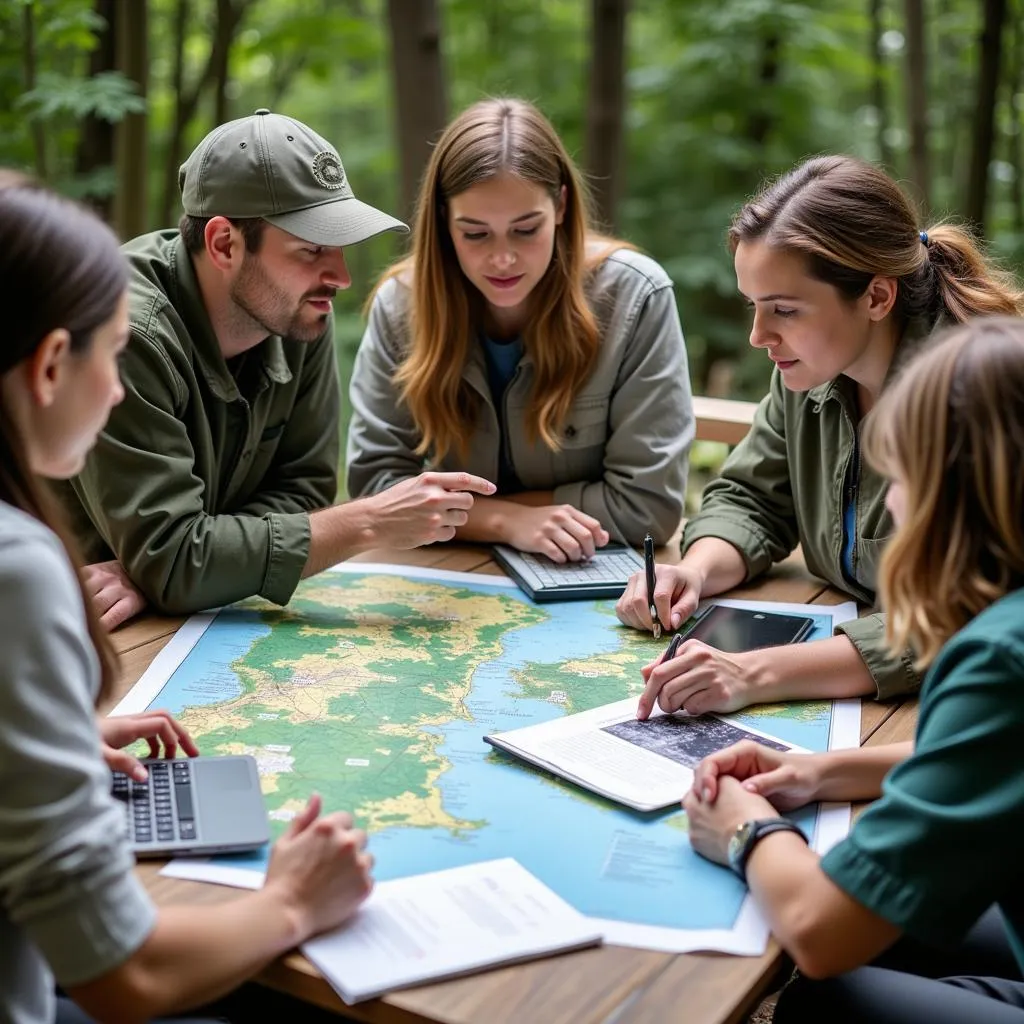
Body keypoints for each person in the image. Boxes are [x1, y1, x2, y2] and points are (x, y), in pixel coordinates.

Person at [0, 176, 375, 1024]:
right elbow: (124, 976)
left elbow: (303, 496)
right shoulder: (18, 570)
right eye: (114, 355)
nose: (123, 392)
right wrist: (292, 902)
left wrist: (46, 737)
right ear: (53, 364)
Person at [682, 316, 1024, 1023]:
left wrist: (744, 831)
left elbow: (822, 934)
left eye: (896, 475)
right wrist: (822, 771)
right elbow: (994, 757)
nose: (890, 503)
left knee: (824, 999)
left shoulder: (998, 655)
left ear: (951, 492)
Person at [616, 155, 1024, 715]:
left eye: (784, 309)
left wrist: (753, 672)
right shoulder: (807, 368)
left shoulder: (975, 397)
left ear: (878, 298)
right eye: (754, 307)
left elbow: (967, 616)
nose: (760, 336)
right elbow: (753, 498)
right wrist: (696, 569)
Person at [63, 109, 495, 631]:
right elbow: (175, 561)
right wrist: (368, 520)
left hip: (179, 620)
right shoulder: (126, 336)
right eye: (311, 249)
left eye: (338, 247)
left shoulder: (296, 312)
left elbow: (306, 490)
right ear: (225, 244)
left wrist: (188, 562)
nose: (339, 277)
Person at [346, 97, 694, 561]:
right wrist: (506, 521)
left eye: (526, 229)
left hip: (588, 568)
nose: (503, 259)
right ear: (444, 223)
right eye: (475, 234)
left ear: (561, 206)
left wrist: (460, 512)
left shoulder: (634, 298)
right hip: (446, 573)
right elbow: (375, 492)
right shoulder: (400, 307)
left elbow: (646, 508)